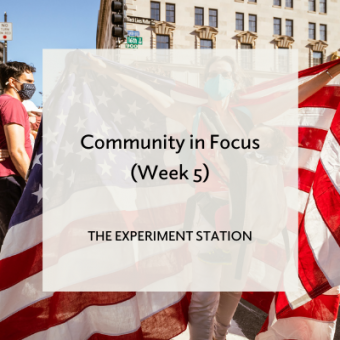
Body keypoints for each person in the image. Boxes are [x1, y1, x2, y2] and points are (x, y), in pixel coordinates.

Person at [87, 52, 340, 340]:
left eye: (225, 75)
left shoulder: (245, 117)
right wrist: (105, 69)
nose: (218, 81)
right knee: (205, 295)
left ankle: (218, 335)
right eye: (213, 75)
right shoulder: (195, 116)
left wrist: (331, 73)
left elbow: (293, 96)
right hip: (209, 215)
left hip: (243, 216)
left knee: (232, 288)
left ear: (234, 82)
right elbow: (151, 93)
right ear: (205, 81)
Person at [0, 61, 36, 250]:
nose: (32, 86)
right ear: (12, 82)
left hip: (6, 180)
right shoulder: (12, 104)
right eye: (28, 81)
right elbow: (17, 150)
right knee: (16, 245)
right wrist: (34, 183)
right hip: (11, 180)